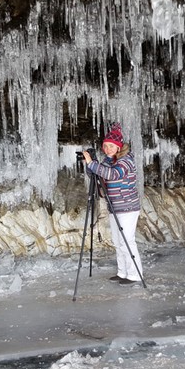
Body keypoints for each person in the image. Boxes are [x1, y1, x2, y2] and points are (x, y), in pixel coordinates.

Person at [82, 122, 144, 286]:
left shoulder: (126, 160)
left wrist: (92, 164)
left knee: (127, 240)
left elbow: (112, 175)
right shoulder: (112, 159)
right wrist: (92, 165)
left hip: (127, 207)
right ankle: (123, 272)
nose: (108, 149)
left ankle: (135, 274)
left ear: (119, 147)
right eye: (106, 146)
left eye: (111, 146)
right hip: (115, 207)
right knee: (118, 242)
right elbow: (99, 173)